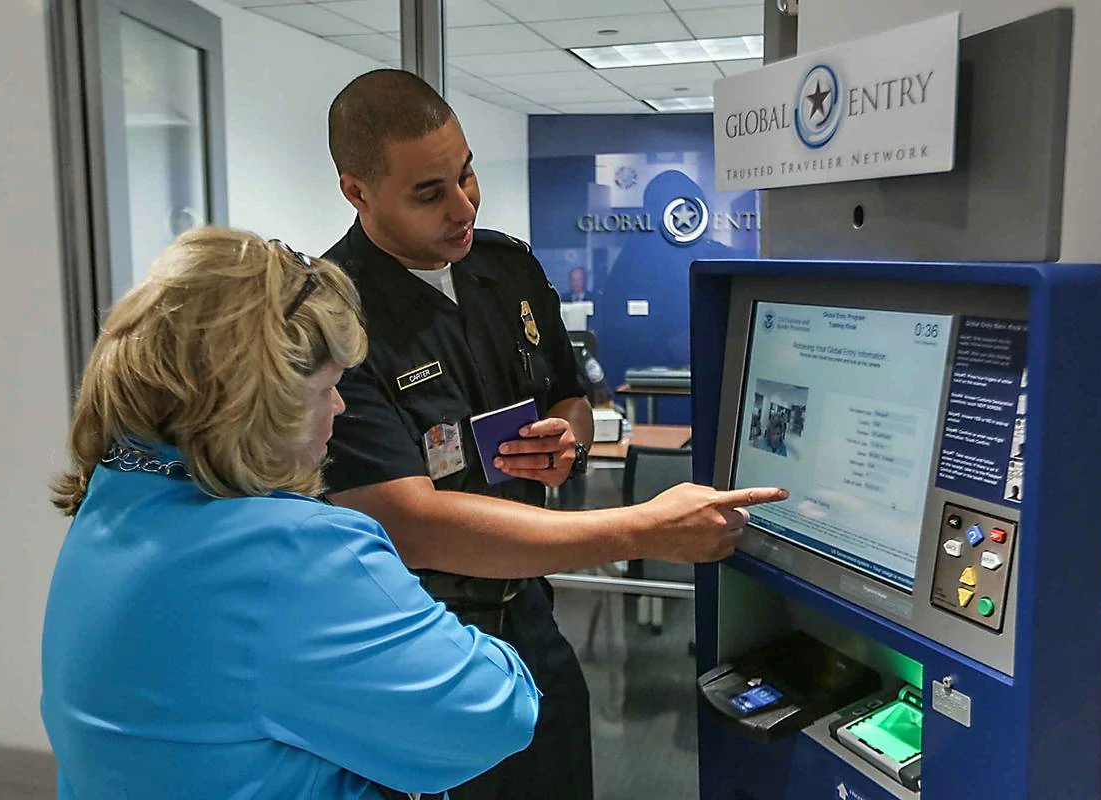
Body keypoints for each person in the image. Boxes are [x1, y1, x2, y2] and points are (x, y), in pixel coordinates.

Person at [321, 69, 788, 800]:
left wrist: (564, 440)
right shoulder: (333, 318)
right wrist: (640, 530)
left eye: (467, 174)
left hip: (529, 615)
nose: (463, 205)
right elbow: (410, 524)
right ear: (357, 191)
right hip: (412, 637)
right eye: (429, 192)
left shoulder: (505, 269)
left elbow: (568, 395)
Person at [41, 228, 539, 800]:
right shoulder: (290, 552)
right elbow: (495, 714)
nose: (340, 405)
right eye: (328, 385)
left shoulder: (111, 493)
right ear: (263, 401)